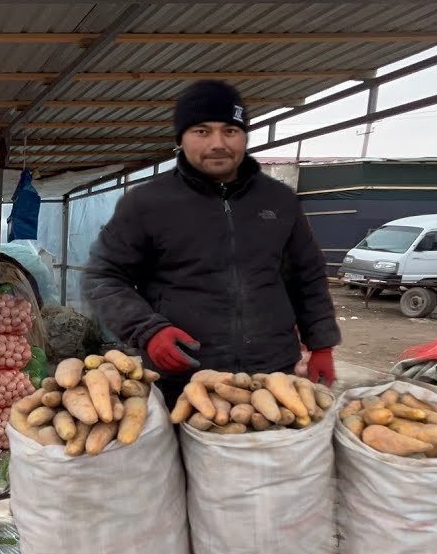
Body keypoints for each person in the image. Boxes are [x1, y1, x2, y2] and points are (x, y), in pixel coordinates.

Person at [82, 79, 341, 400]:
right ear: (181, 138)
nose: (218, 143)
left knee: (271, 447)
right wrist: (148, 331)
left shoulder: (279, 200)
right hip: (183, 373)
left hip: (271, 374)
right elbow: (103, 277)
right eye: (202, 131)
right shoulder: (147, 203)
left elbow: (308, 275)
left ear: (244, 136)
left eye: (230, 131)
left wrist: (321, 344)